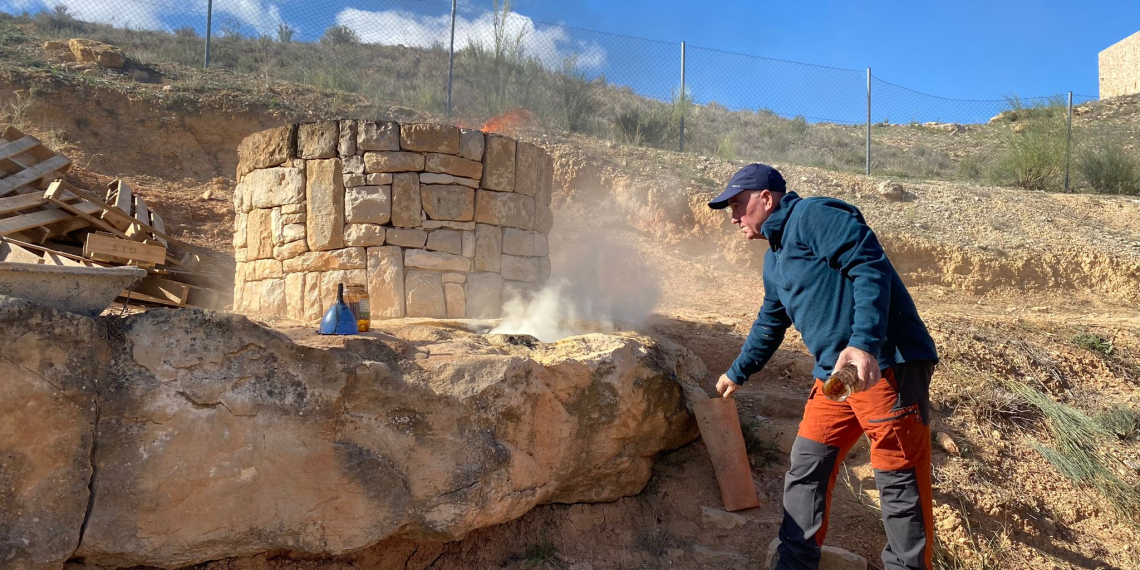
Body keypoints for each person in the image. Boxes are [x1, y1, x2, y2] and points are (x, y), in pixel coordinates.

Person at [708, 163, 940, 570]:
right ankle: (794, 563)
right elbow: (770, 321)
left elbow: (869, 265)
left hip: (883, 365)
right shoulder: (774, 259)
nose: (733, 216)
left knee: (897, 479)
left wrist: (864, 343)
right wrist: (736, 372)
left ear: (767, 198)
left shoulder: (814, 216)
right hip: (837, 377)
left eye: (739, 204)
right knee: (806, 466)